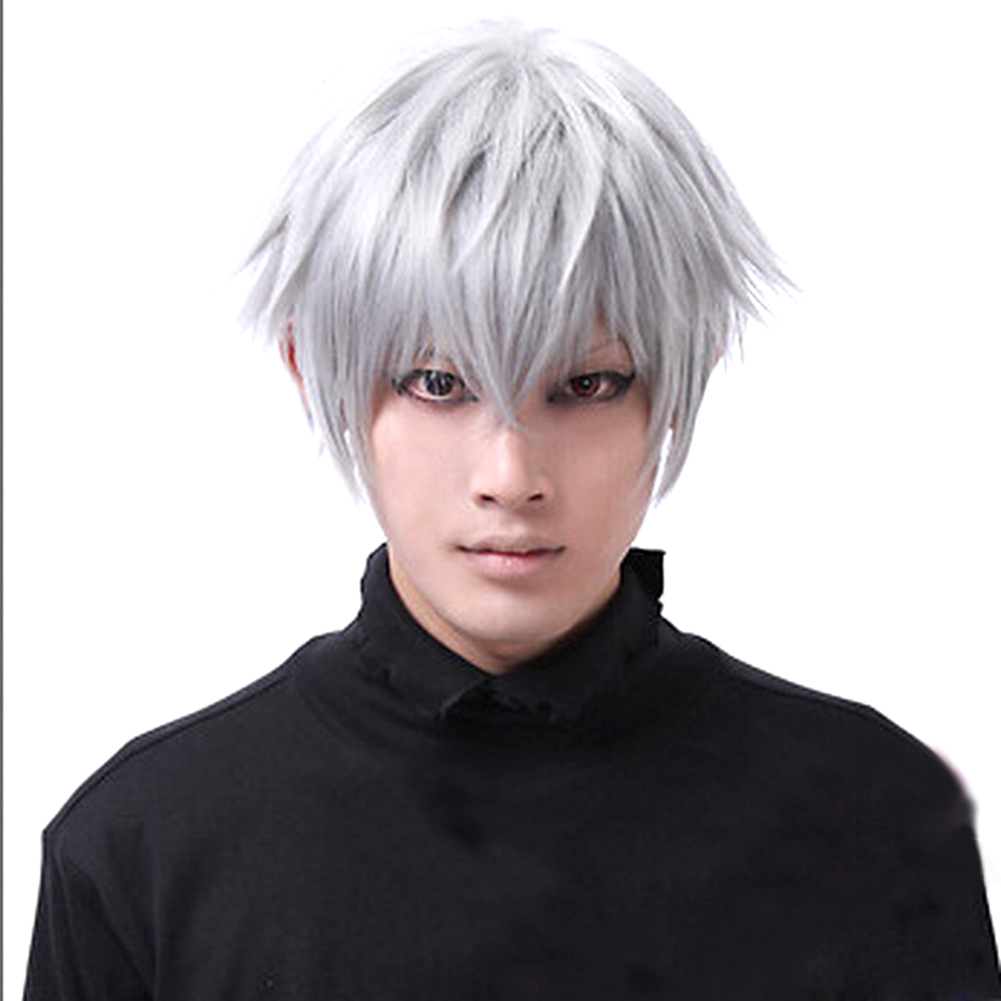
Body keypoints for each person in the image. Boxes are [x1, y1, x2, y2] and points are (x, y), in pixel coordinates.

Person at [23, 21, 1000, 1000]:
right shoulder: (142, 847)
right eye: (438, 382)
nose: (510, 473)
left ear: (678, 381)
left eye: (584, 385)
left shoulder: (875, 818)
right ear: (313, 370)